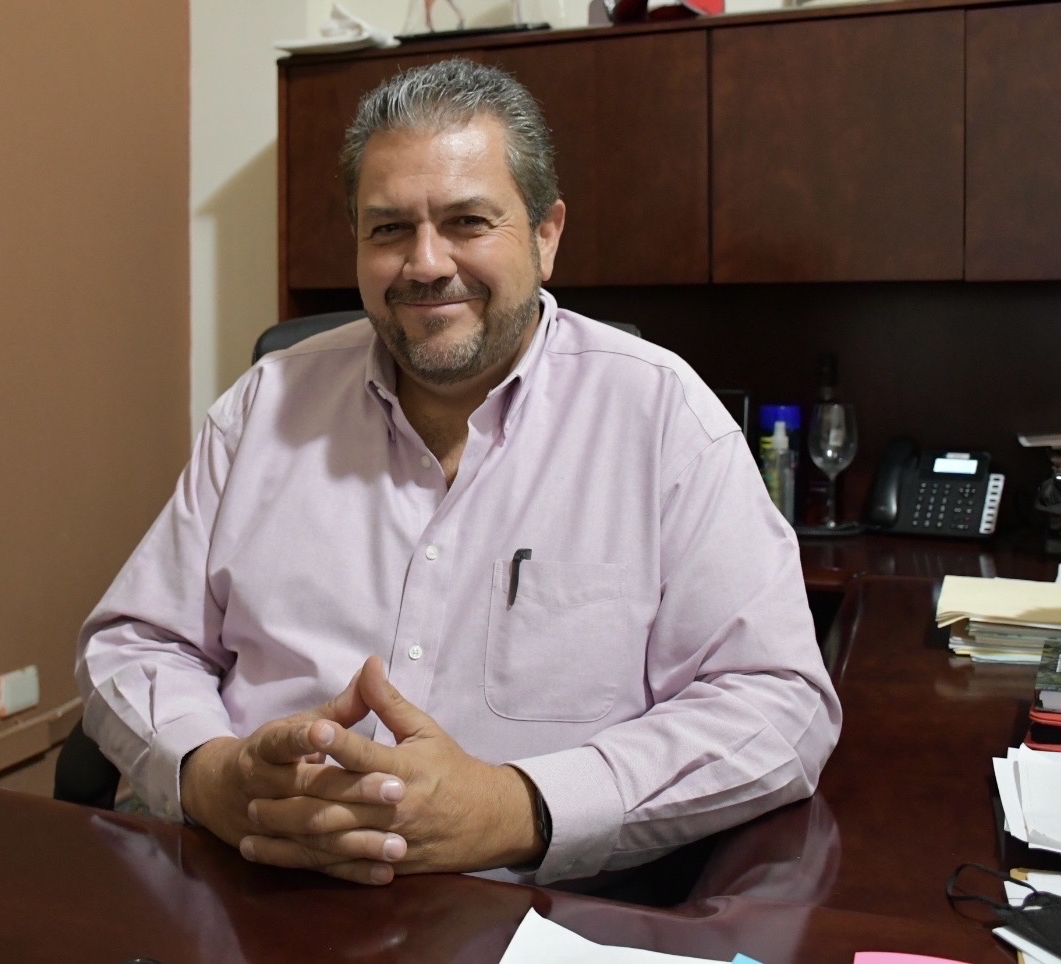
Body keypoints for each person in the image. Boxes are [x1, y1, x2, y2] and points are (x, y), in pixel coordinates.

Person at [76, 58, 841, 891]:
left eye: (467, 222)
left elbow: (777, 704)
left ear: (545, 234)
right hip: (257, 891)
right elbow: (135, 643)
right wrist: (207, 773)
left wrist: (517, 808)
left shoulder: (660, 417)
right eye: (388, 229)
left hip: (533, 913)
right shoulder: (264, 406)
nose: (425, 263)